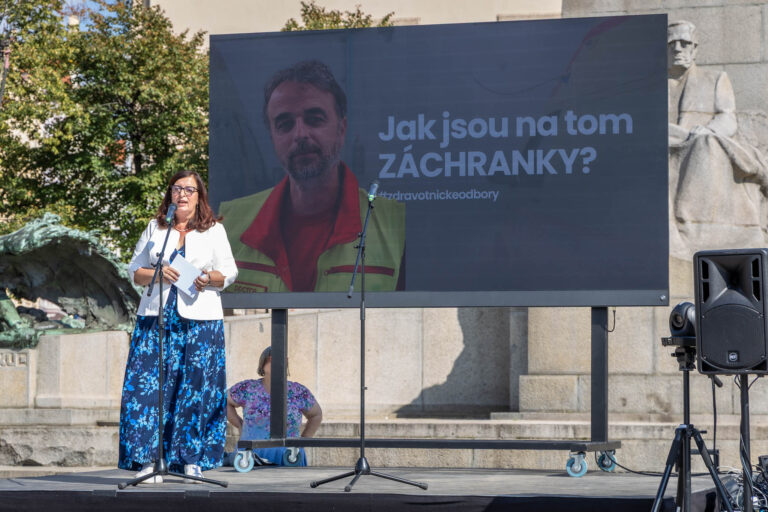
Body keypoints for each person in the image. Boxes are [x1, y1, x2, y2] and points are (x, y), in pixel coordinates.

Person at [219, 60, 405, 293]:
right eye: (285, 124)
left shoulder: (396, 224)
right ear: (272, 138)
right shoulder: (228, 222)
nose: (300, 134)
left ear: (342, 129)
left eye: (314, 119)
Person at [118, 170, 238, 483]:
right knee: (147, 390)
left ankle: (190, 459)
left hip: (200, 321)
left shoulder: (214, 231)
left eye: (189, 190)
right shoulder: (155, 228)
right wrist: (157, 274)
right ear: (170, 194)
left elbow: (229, 272)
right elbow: (135, 271)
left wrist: (207, 278)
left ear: (199, 197)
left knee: (195, 389)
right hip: (155, 318)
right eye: (177, 188)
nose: (182, 194)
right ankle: (148, 459)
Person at [667, 20, 768, 255]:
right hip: (667, 141)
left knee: (707, 144)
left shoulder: (715, 79)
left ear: (695, 49)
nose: (678, 49)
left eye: (684, 43)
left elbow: (727, 118)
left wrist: (708, 130)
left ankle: (693, 225)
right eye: (672, 44)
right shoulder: (650, 86)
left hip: (699, 140)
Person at [226, 346, 322, 466]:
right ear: (262, 363)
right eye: (271, 358)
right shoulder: (248, 388)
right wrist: (239, 424)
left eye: (282, 358)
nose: (277, 362)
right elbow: (224, 401)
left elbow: (316, 415)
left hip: (288, 457)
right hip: (251, 457)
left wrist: (303, 441)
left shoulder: (299, 391)